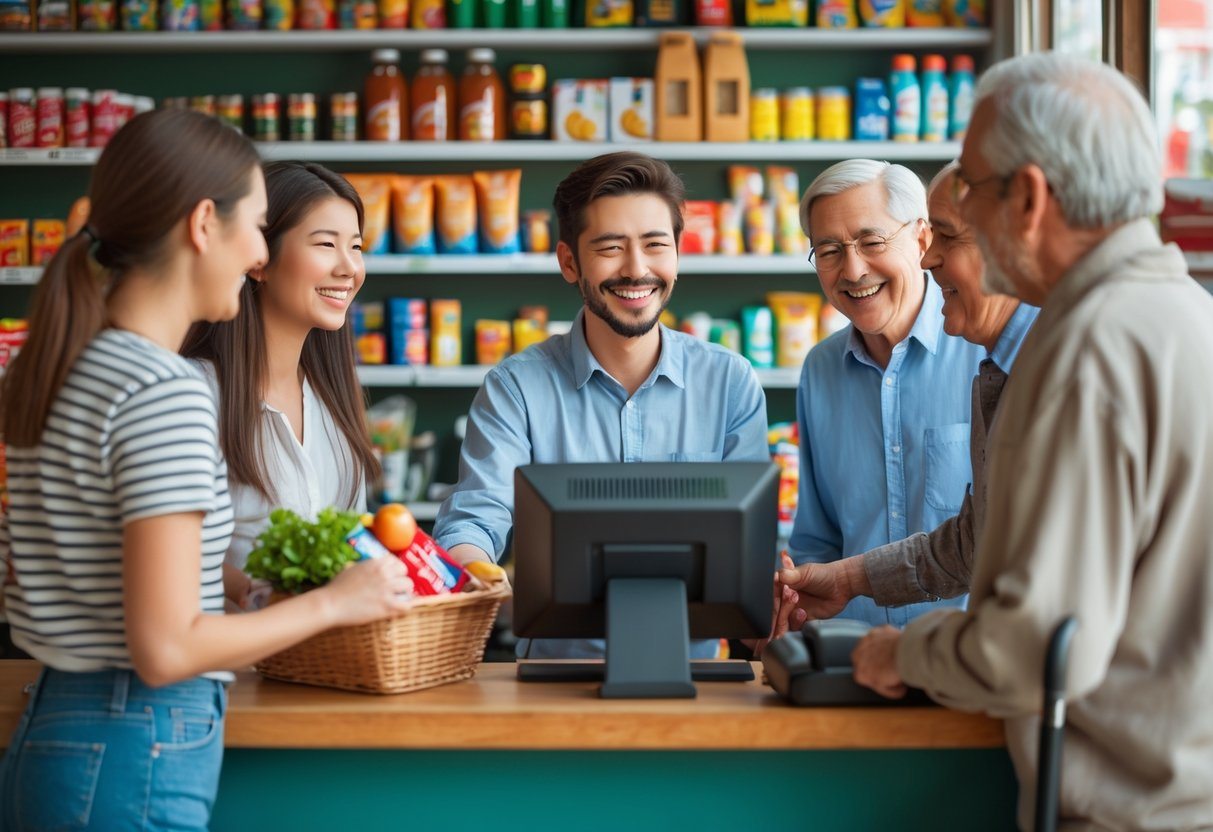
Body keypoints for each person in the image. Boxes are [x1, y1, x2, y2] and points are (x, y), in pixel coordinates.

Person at [0, 110, 410, 831]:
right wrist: (333, 602)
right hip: (137, 738)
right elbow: (166, 649)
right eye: (256, 227)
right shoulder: (167, 390)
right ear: (201, 226)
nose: (257, 254)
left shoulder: (73, 367)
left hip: (62, 726)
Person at [846, 53, 1213, 829]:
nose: (947, 235)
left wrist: (901, 654)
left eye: (970, 191)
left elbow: (1037, 648)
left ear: (1031, 196)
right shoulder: (1183, 314)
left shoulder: (1090, 347)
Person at [432, 151, 770, 660]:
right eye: (610, 248)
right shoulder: (515, 387)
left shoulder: (730, 380)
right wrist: (478, 573)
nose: (637, 270)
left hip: (697, 679)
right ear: (570, 262)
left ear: (678, 252)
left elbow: (748, 542)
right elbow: (474, 520)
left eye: (656, 245)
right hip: (552, 685)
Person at [779, 162, 1038, 620]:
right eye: (829, 250)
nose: (853, 269)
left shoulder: (989, 349)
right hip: (850, 663)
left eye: (872, 242)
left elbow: (1001, 543)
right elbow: (817, 541)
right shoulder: (821, 369)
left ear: (923, 239)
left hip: (966, 665)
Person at [182, 161, 379, 611]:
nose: (349, 267)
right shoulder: (195, 393)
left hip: (318, 667)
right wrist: (248, 590)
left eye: (356, 246)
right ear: (257, 260)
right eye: (326, 244)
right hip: (223, 666)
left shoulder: (334, 402)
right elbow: (167, 552)